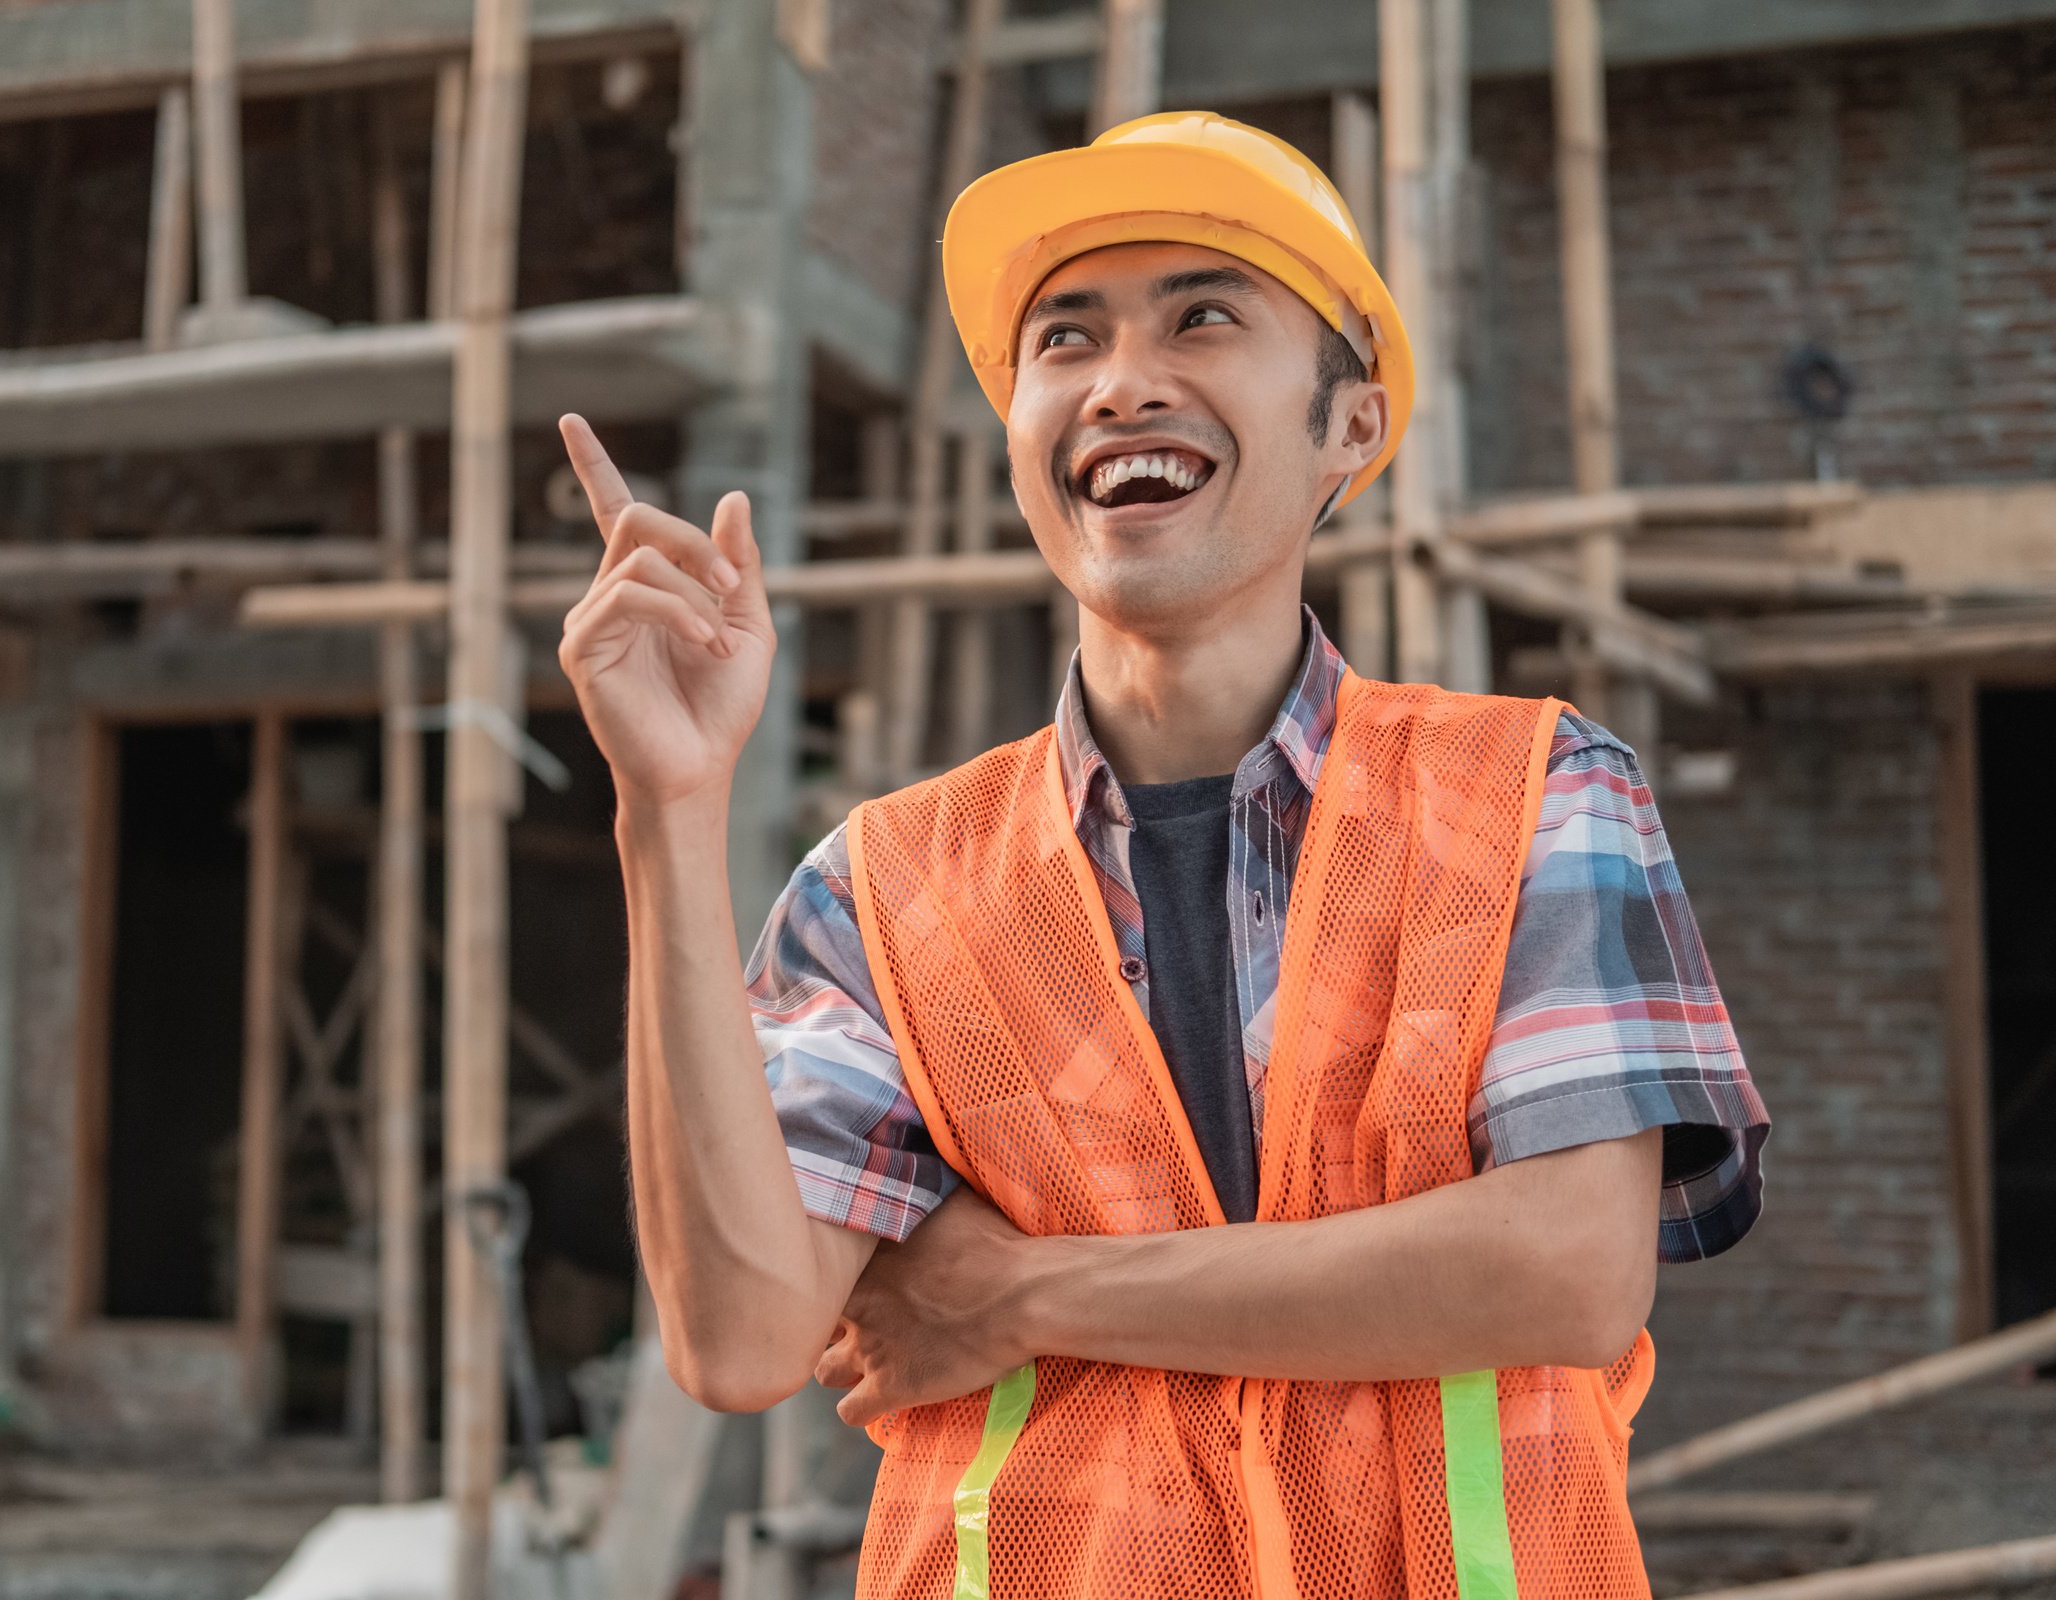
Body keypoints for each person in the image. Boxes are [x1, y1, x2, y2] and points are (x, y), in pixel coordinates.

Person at [556, 113, 1768, 1600]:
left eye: (1204, 315)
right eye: (1064, 339)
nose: (1122, 381)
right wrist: (666, 809)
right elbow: (741, 1341)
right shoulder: (885, 891)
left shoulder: (1529, 795)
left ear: (1351, 427)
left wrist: (1025, 1294)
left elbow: (1568, 1270)